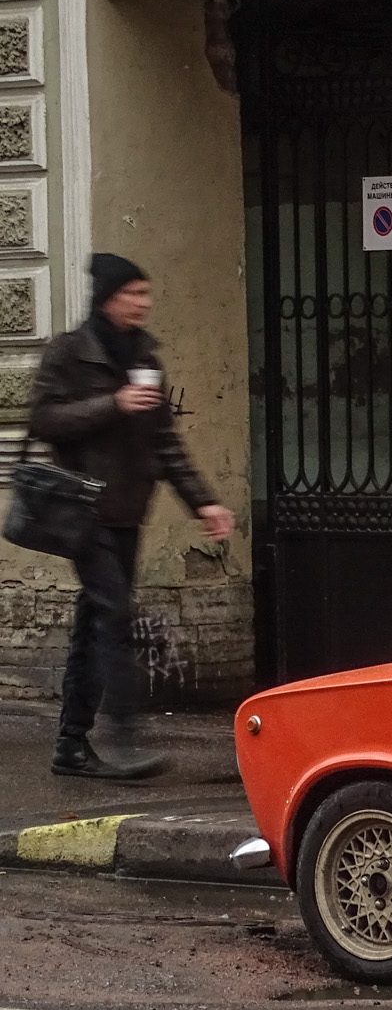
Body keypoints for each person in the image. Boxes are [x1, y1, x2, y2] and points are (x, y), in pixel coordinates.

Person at [26, 254, 234, 779]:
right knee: (114, 612)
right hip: (82, 510)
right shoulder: (69, 353)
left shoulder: (144, 355)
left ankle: (71, 744)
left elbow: (164, 442)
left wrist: (202, 500)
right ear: (107, 297)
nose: (143, 302)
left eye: (146, 292)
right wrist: (111, 404)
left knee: (93, 623)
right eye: (133, 292)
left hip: (125, 512)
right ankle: (121, 735)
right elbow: (45, 420)